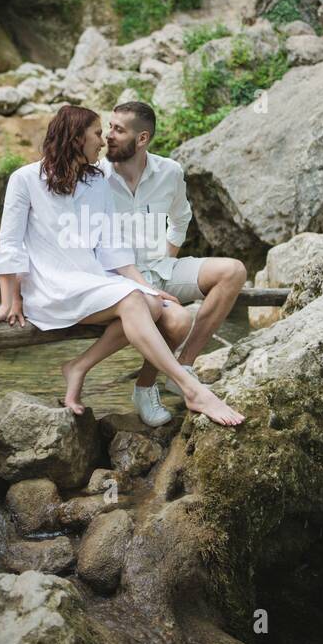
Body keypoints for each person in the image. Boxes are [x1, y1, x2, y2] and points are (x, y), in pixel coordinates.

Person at [0, 104, 244, 427]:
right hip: (49, 286)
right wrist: (10, 301)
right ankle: (193, 390)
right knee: (136, 301)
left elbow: (112, 248)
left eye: (109, 132)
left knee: (151, 304)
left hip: (91, 280)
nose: (103, 142)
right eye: (98, 133)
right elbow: (10, 244)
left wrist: (149, 288)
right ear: (76, 137)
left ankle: (81, 367)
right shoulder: (25, 179)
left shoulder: (95, 182)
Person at [99, 101, 248, 426]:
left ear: (142, 139)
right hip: (119, 281)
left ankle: (185, 366)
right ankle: (144, 387)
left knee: (233, 271)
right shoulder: (96, 178)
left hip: (160, 267)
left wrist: (168, 256)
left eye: (118, 130)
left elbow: (181, 218)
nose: (108, 135)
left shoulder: (169, 172)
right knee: (178, 318)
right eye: (109, 127)